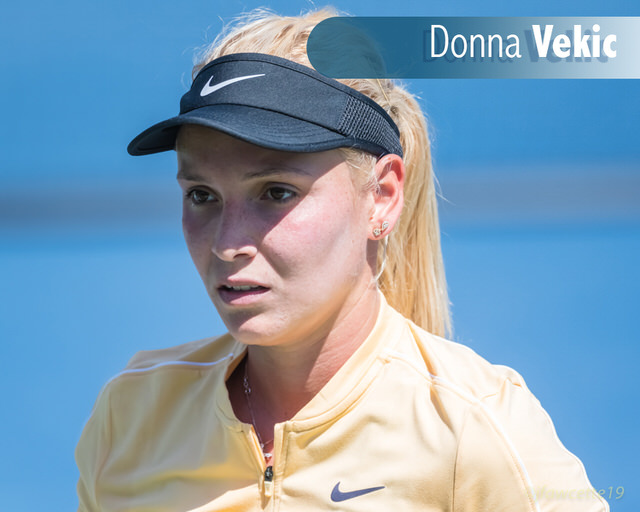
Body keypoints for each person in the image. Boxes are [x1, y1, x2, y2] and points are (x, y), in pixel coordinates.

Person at [76, 8, 608, 512]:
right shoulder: (131, 415)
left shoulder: (477, 424)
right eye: (201, 195)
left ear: (382, 196)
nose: (226, 243)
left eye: (276, 192)